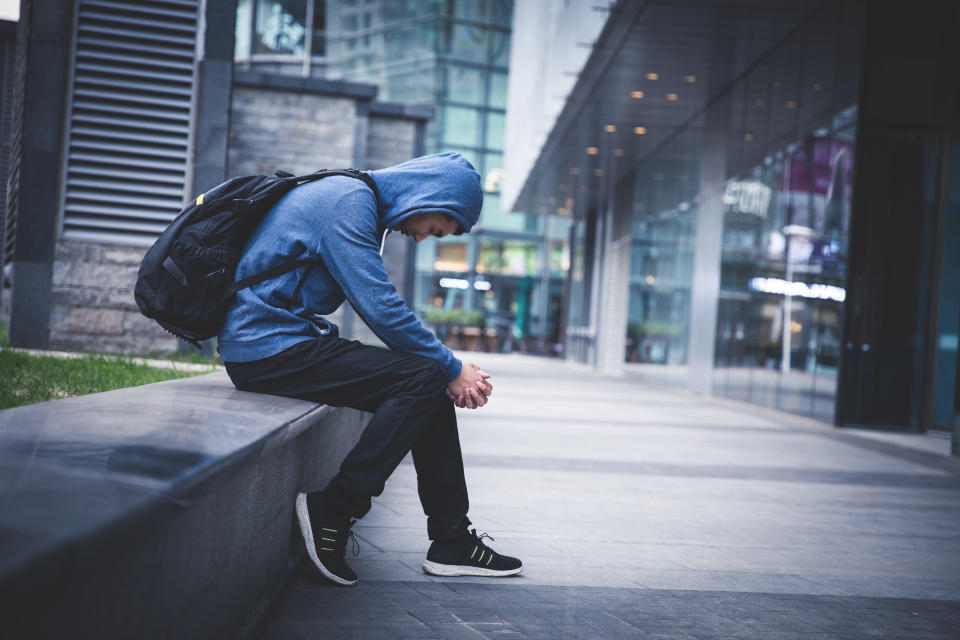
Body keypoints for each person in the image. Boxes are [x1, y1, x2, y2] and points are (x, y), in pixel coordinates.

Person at [219, 152, 522, 586]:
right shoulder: (347, 202)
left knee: (427, 378)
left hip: (285, 343)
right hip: (266, 349)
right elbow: (379, 307)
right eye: (435, 229)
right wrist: (452, 366)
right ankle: (335, 510)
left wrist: (445, 369)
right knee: (427, 375)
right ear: (428, 194)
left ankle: (451, 539)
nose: (422, 240)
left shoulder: (355, 198)